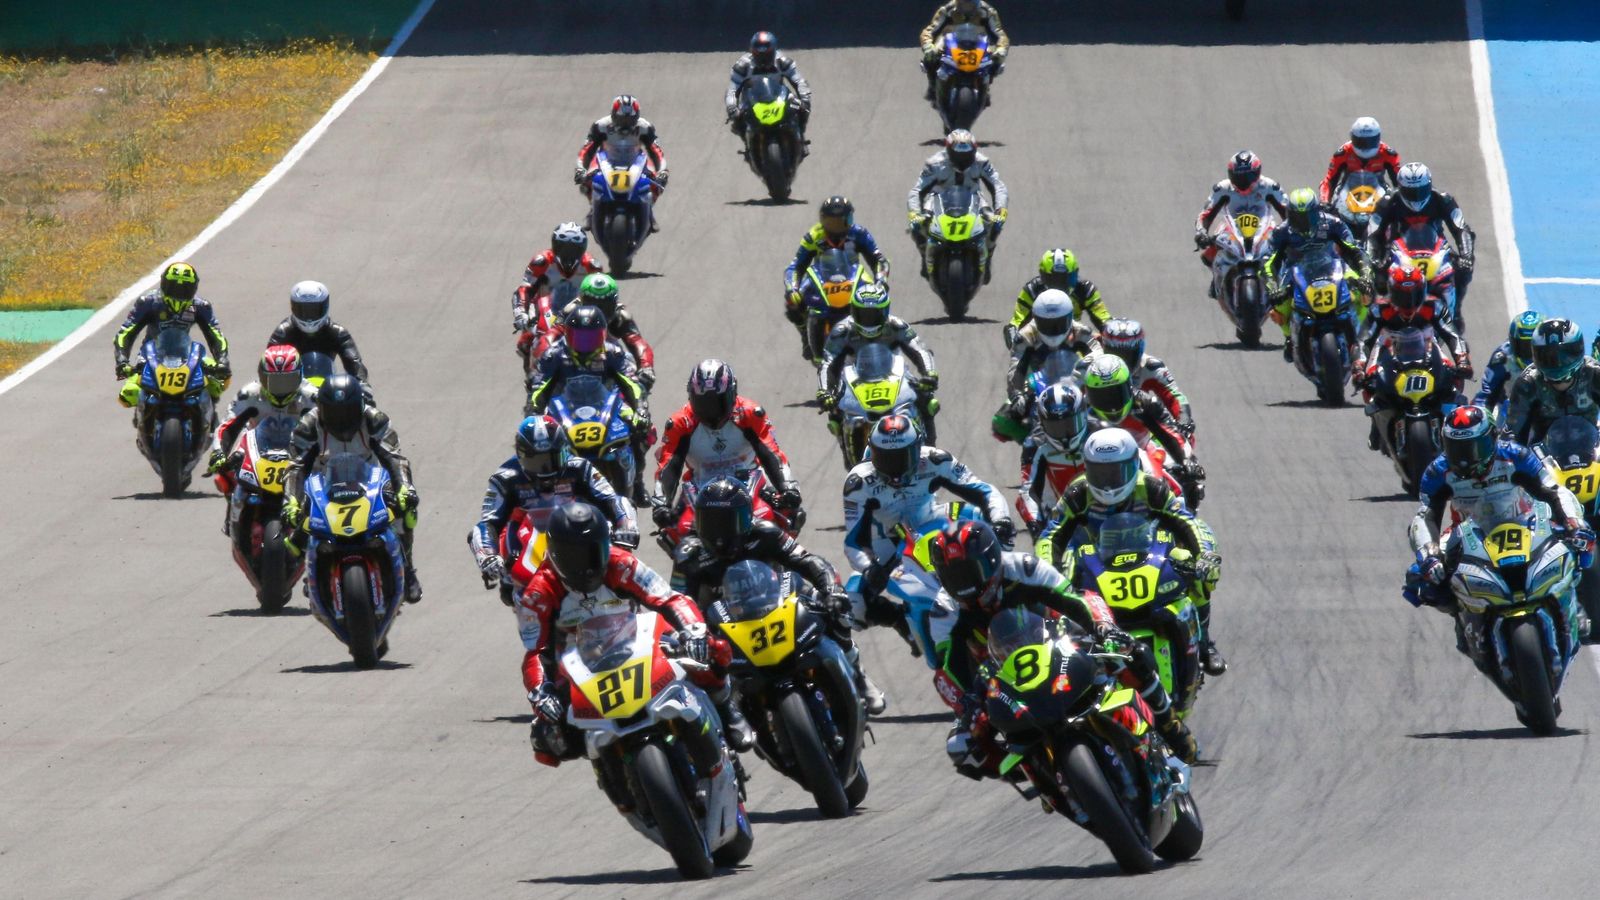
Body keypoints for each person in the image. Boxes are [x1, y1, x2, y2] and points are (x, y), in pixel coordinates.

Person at [931, 520, 1198, 771]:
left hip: (1056, 640)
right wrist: (966, 704)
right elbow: (947, 669)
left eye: (969, 572)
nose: (963, 585)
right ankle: (1033, 774)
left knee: (1131, 653)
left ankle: (1171, 727)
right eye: (953, 577)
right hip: (998, 674)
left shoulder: (1023, 568)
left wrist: (1103, 628)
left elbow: (1075, 600)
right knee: (963, 748)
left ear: (991, 560)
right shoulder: (945, 611)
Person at [519, 502, 752, 762]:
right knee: (547, 737)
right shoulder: (538, 593)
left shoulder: (620, 563)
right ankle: (609, 769)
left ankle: (726, 708)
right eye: (576, 556)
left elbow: (668, 598)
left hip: (634, 641)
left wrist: (692, 630)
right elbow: (535, 651)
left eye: (596, 551)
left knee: (710, 648)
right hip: (580, 666)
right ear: (555, 553)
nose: (588, 564)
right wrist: (541, 692)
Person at [672, 477, 887, 713]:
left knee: (835, 610)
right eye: (711, 523)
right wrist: (685, 635)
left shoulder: (765, 532)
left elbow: (807, 560)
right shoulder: (688, 556)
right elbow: (677, 601)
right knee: (694, 668)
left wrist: (831, 589)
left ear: (746, 517)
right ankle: (730, 718)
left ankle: (858, 673)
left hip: (779, 601)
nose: (720, 533)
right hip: (726, 623)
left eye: (728, 521)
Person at [1035, 428, 1225, 675]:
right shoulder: (1078, 493)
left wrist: (1205, 555)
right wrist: (1048, 574)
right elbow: (1051, 535)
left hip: (1148, 552)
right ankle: (1062, 658)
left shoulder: (1151, 487)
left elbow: (1187, 521)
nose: (1108, 482)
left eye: (1116, 472)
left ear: (1133, 464)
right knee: (1056, 594)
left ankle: (1204, 644)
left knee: (1194, 568)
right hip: (1096, 560)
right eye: (1100, 473)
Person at [1405, 406, 1590, 624]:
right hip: (1469, 532)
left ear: (1492, 438)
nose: (1464, 458)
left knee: (1578, 544)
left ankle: (1570, 601)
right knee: (1419, 578)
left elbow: (1554, 491)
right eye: (1456, 448)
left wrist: (1574, 524)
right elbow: (1425, 516)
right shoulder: (1437, 471)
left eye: (1474, 447)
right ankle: (1465, 618)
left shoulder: (1516, 455)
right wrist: (1430, 553)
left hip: (1524, 521)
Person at [842, 415, 1015, 630]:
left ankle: (1009, 582)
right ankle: (902, 621)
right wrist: (869, 567)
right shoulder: (858, 483)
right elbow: (853, 543)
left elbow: (985, 491)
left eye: (901, 458)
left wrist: (1001, 519)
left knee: (986, 522)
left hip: (932, 519)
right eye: (885, 459)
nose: (894, 470)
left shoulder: (936, 460)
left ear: (918, 449)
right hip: (887, 541)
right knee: (853, 605)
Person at [470, 416, 640, 606]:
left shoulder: (580, 467)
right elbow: (487, 523)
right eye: (538, 461)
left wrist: (626, 525)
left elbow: (613, 499)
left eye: (553, 457)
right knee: (510, 588)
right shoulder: (505, 478)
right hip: (528, 536)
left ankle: (634, 603)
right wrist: (487, 556)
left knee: (623, 566)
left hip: (577, 527)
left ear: (564, 449)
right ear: (521, 455)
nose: (547, 468)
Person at [281, 374, 421, 603]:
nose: (341, 419)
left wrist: (405, 488)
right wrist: (292, 502)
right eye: (334, 413)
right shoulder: (308, 425)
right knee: (300, 522)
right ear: (321, 409)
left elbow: (395, 458)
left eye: (347, 412)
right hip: (325, 483)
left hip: (368, 480)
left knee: (405, 510)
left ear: (359, 406)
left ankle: (408, 569)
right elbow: (295, 467)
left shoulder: (374, 419)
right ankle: (312, 570)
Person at [653, 359, 801, 532]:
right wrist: (662, 504)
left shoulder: (750, 413)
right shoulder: (680, 423)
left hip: (750, 481)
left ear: (733, 394)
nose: (711, 410)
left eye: (718, 402)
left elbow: (771, 454)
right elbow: (669, 466)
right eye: (703, 402)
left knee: (790, 516)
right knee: (674, 531)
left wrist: (787, 488)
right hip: (700, 488)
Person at [817, 282, 941, 441]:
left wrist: (929, 374)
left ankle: (929, 446)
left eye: (874, 314)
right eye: (863, 314)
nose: (869, 320)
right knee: (834, 410)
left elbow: (920, 350)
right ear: (853, 311)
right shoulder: (843, 330)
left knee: (927, 399)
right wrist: (825, 391)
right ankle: (845, 441)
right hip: (854, 377)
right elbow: (828, 362)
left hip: (894, 373)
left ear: (885, 311)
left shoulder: (896, 326)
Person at [1265, 188, 1371, 363]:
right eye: (1297, 217)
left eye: (1307, 216)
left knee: (1365, 292)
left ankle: (1358, 332)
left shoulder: (1333, 223)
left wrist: (1365, 275)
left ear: (1316, 212)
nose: (1303, 222)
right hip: (1295, 271)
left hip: (1332, 266)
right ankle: (1289, 337)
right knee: (1278, 306)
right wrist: (1272, 287)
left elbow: (1356, 251)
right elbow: (1268, 263)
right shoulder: (1281, 232)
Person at [1080, 355, 1203, 502]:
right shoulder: (1082, 411)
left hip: (1143, 448)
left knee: (1183, 481)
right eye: (1102, 396)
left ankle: (1177, 507)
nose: (1110, 402)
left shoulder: (1144, 402)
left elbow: (1169, 431)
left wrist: (1185, 460)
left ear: (1129, 387)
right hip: (1098, 460)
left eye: (1116, 393)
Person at [783, 196, 892, 351]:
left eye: (842, 221)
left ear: (850, 218)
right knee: (793, 301)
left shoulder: (859, 233)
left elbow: (879, 259)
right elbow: (795, 266)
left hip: (854, 276)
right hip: (821, 277)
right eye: (831, 222)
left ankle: (881, 334)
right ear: (822, 220)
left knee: (876, 297)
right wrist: (792, 288)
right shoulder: (813, 236)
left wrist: (881, 280)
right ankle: (804, 334)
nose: (837, 227)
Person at [113, 261, 230, 402]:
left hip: (187, 356)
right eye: (173, 288)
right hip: (150, 357)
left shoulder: (200, 306)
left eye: (185, 289)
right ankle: (144, 412)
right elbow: (126, 332)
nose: (178, 293)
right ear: (163, 284)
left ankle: (208, 413)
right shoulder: (148, 302)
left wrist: (222, 361)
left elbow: (216, 336)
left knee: (220, 382)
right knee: (128, 395)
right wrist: (122, 361)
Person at [991, 289, 1098, 442]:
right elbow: (1016, 368)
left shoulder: (1081, 331)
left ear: (1069, 318)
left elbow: (1098, 355)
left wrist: (1087, 371)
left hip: (1075, 379)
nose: (1053, 329)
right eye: (1046, 324)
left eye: (1058, 323)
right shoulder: (1025, 336)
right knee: (1001, 420)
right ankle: (1032, 441)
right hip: (1037, 384)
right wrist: (1016, 393)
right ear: (1036, 319)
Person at [908, 129, 1008, 283]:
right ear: (949, 151)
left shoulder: (982, 162)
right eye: (959, 156)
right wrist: (915, 213)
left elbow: (998, 186)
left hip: (973, 197)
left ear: (974, 151)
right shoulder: (934, 163)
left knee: (995, 223)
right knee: (916, 225)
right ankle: (924, 254)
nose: (963, 160)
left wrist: (1001, 209)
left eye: (967, 155)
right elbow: (917, 190)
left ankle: (987, 256)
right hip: (939, 198)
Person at [1367, 162, 1475, 305]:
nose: (1416, 197)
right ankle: (1380, 312)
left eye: (1421, 190)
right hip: (1397, 252)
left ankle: (1455, 310)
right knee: (1376, 279)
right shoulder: (1387, 202)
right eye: (1410, 192)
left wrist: (1466, 256)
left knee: (1463, 271)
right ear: (1400, 187)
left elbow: (1461, 229)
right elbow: (1373, 234)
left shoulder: (1443, 199)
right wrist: (1375, 261)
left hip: (1437, 250)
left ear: (1429, 185)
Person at [1193, 152, 1289, 298]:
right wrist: (1201, 232)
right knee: (1208, 254)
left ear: (1257, 173)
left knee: (1286, 250)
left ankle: (1282, 282)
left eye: (1248, 177)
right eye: (1238, 177)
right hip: (1233, 227)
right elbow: (1206, 214)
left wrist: (1290, 230)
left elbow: (1287, 211)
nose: (1243, 182)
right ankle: (1217, 277)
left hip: (1263, 226)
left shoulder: (1269, 186)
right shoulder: (1222, 188)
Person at [535, 273, 655, 388]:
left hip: (610, 359)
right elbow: (551, 336)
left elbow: (638, 342)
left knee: (632, 367)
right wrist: (541, 362)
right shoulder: (570, 312)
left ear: (614, 301)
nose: (598, 311)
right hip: (572, 359)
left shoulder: (621, 317)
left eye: (605, 304)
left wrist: (646, 368)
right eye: (592, 303)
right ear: (581, 300)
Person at [575, 95, 667, 232]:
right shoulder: (601, 126)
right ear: (613, 115)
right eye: (622, 119)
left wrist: (662, 171)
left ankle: (649, 211)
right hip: (607, 160)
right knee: (587, 182)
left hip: (635, 161)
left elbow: (656, 151)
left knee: (656, 184)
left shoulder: (645, 127)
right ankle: (593, 209)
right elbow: (587, 150)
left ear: (636, 117)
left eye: (630, 120)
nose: (625, 124)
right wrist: (581, 168)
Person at [1507, 318, 1600, 446]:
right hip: (1543, 454)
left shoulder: (1594, 373)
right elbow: (1512, 433)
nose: (1558, 363)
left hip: (1592, 447)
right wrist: (1515, 450)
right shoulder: (1527, 383)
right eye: (1548, 356)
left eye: (1565, 355)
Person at [1016, 383, 1091, 538]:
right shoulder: (1036, 444)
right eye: (1056, 427)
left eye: (1069, 424)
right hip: (1061, 519)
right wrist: (1035, 524)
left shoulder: (1100, 433)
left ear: (1083, 414)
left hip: (1105, 513)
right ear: (1043, 424)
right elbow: (1027, 491)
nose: (1064, 434)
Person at [1098, 318, 1196, 437]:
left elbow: (1175, 396)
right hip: (1099, 431)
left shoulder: (1151, 367)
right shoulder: (1092, 366)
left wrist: (1184, 419)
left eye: (1127, 355)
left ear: (1139, 350)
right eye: (1116, 355)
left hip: (1141, 435)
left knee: (1187, 437)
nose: (1122, 362)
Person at [512, 222, 603, 350]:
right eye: (563, 248)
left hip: (580, 311)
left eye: (574, 250)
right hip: (543, 309)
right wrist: (521, 313)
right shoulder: (541, 262)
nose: (568, 254)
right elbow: (524, 289)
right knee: (525, 344)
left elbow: (602, 293)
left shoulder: (591, 266)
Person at [1005, 248, 1112, 348]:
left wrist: (1113, 333)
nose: (1061, 284)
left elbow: (1104, 319)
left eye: (1066, 279)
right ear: (1043, 276)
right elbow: (1016, 323)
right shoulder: (1033, 289)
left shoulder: (1085, 289)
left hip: (1074, 339)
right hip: (1039, 342)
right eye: (1055, 279)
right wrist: (1014, 338)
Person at [267, 280, 367, 382]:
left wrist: (362, 384)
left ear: (325, 306)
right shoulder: (283, 332)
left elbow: (354, 362)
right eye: (303, 310)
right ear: (293, 307)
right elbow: (268, 364)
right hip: (292, 387)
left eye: (314, 310)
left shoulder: (338, 333)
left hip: (328, 387)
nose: (309, 317)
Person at [918, 0, 1010, 103]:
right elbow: (929, 30)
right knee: (931, 56)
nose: (967, 6)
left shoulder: (988, 11)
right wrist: (928, 46)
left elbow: (1000, 34)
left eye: (970, 3)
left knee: (996, 60)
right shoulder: (946, 9)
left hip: (978, 41)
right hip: (951, 40)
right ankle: (932, 86)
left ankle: (986, 87)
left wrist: (1001, 49)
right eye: (963, 3)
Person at [726, 31, 812, 137]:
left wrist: (805, 99)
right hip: (751, 103)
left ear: (774, 52)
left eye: (767, 55)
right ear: (752, 52)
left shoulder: (783, 62)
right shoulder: (742, 66)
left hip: (779, 98)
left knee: (803, 109)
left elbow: (799, 81)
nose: (763, 60)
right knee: (737, 121)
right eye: (759, 56)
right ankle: (747, 139)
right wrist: (732, 108)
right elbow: (732, 90)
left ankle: (800, 134)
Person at [1319, 117, 1403, 204]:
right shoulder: (1343, 153)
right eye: (1361, 142)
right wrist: (1324, 202)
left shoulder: (1387, 154)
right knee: (1331, 206)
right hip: (1347, 194)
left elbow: (1400, 182)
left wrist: (1400, 203)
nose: (1366, 146)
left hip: (1379, 193)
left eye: (1371, 141)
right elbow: (1329, 181)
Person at [1475, 310, 1544, 416]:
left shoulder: (1559, 356)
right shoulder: (1502, 357)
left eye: (1534, 347)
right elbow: (1486, 394)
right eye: (1523, 346)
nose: (1529, 353)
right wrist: (1480, 415)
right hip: (1511, 413)